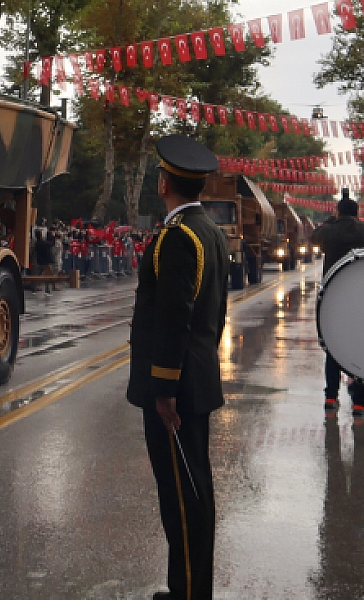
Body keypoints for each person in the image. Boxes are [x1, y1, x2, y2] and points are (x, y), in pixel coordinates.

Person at [127, 134, 230, 600]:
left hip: (176, 390)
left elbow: (174, 317)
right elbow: (215, 313)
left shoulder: (178, 237)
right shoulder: (209, 230)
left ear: (165, 181)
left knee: (183, 497)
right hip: (197, 378)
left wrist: (164, 389)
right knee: (192, 491)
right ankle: (186, 585)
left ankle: (190, 592)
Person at [312, 190, 364, 414]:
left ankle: (331, 397)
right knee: (360, 347)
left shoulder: (329, 231)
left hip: (333, 296)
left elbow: (314, 237)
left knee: (333, 347)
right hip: (360, 297)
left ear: (338, 212)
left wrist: (332, 218)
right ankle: (359, 401)